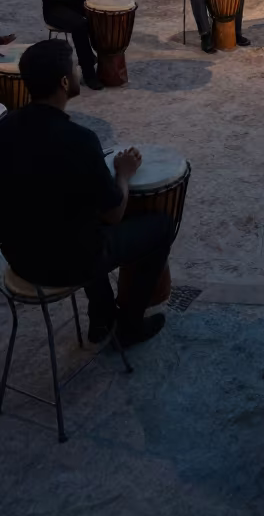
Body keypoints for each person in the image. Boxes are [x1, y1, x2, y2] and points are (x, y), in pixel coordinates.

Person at [0, 40, 173, 346]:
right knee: (160, 227)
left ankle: (101, 316)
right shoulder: (79, 140)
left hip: (19, 257)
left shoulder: (5, 127)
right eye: (76, 67)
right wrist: (123, 173)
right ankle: (130, 326)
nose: (80, 71)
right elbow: (115, 213)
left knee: (76, 221)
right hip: (65, 265)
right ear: (65, 82)